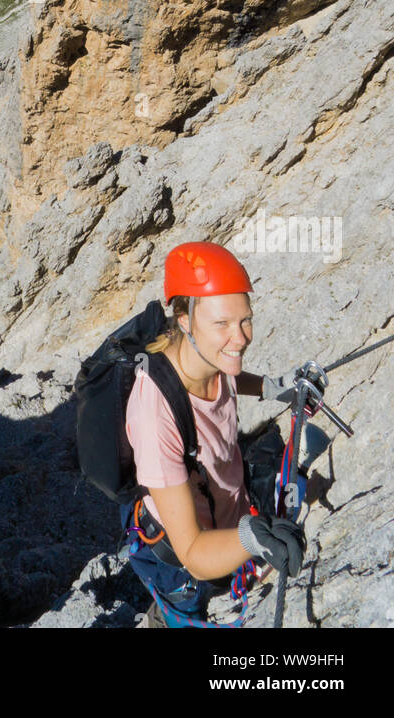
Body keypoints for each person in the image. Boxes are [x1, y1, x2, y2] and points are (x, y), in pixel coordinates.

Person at [123, 240, 315, 627]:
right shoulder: (154, 412)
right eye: (222, 324)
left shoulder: (210, 356)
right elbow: (193, 551)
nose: (241, 337)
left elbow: (226, 372)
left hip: (229, 510)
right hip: (185, 561)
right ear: (183, 319)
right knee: (184, 611)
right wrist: (252, 539)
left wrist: (274, 387)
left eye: (245, 319)